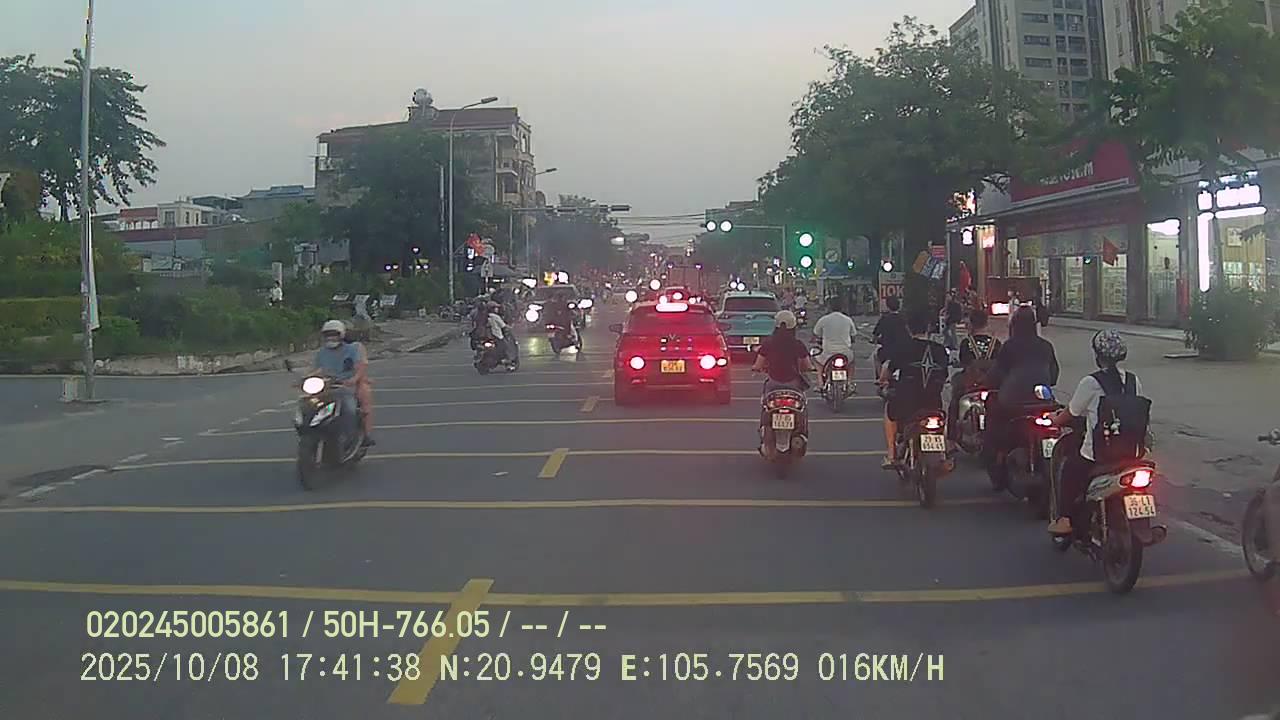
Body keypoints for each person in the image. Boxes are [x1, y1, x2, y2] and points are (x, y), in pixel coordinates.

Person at [1048, 330, 1145, 534]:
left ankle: (1065, 519)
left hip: (1099, 454)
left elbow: (1072, 412)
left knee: (1070, 469)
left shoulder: (1091, 383)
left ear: (1097, 355)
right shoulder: (1133, 381)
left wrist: (1055, 419)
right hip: (1133, 452)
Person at [982, 305, 1060, 466]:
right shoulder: (1046, 346)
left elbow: (996, 374)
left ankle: (996, 454)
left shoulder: (1009, 346)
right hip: (1042, 399)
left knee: (992, 408)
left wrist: (990, 382)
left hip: (1013, 402)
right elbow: (1054, 375)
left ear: (1014, 325)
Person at [878, 307, 950, 469]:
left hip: (907, 401)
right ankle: (944, 452)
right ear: (928, 327)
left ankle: (891, 454)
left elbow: (887, 370)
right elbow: (945, 374)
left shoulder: (903, 347)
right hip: (933, 400)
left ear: (908, 328)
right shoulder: (939, 349)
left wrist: (884, 381)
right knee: (944, 415)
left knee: (889, 412)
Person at [313, 320, 374, 446]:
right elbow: (317, 370)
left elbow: (360, 366)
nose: (331, 338)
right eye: (328, 335)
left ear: (341, 335)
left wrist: (353, 379)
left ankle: (360, 435)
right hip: (329, 386)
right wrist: (304, 379)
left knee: (351, 408)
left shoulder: (353, 349)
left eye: (334, 334)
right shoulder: (321, 352)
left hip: (347, 386)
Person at [947, 309, 1003, 440]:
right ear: (986, 323)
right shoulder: (996, 343)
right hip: (992, 384)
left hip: (970, 383)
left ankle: (952, 436)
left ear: (971, 323)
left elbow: (963, 362)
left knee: (955, 401)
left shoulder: (966, 343)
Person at [811, 295, 857, 385]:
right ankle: (849, 382)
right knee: (851, 362)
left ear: (829, 307)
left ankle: (820, 383)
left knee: (816, 360)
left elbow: (815, 334)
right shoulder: (848, 320)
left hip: (828, 353)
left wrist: (817, 340)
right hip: (845, 353)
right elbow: (853, 335)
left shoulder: (823, 319)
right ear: (842, 307)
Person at [872, 296, 909, 378]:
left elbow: (875, 334)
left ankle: (880, 378)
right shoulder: (903, 318)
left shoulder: (884, 318)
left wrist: (874, 340)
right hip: (903, 350)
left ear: (887, 306)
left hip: (887, 350)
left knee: (875, 356)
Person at [485, 300, 516, 364]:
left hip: (487, 336)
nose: (497, 309)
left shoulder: (485, 316)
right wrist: (510, 328)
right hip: (497, 335)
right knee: (505, 346)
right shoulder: (495, 316)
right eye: (496, 308)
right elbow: (503, 326)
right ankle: (505, 359)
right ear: (492, 309)